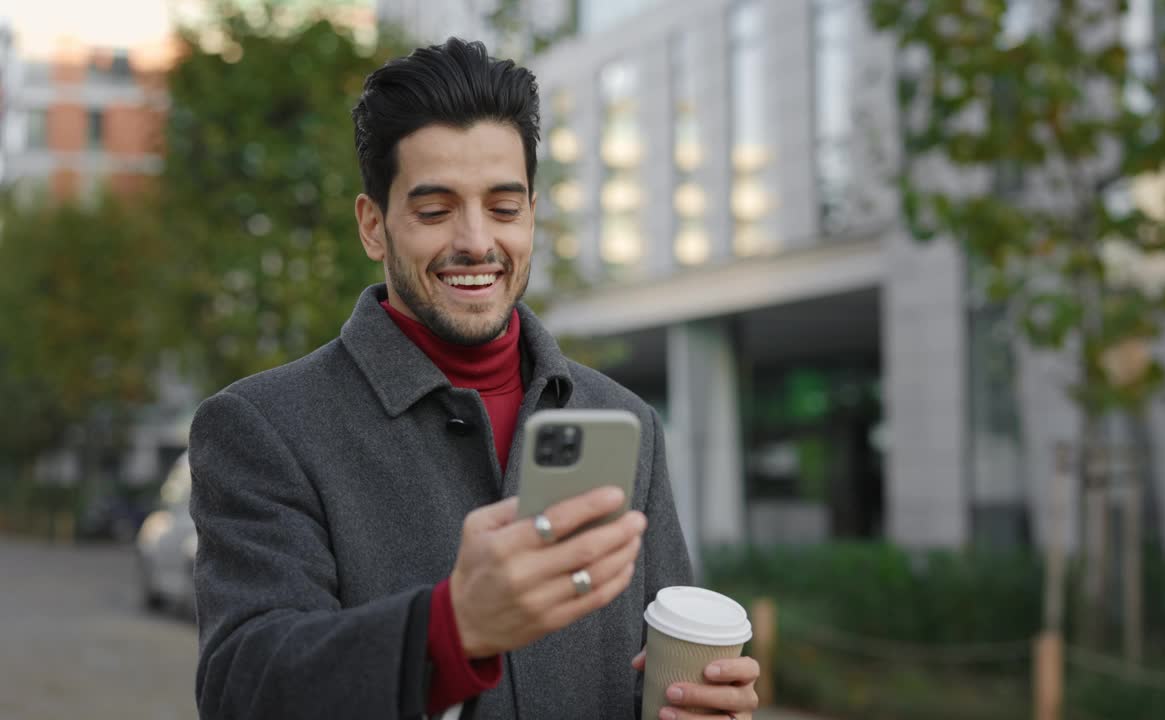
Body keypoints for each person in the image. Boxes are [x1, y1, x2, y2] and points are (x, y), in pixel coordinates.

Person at [188, 38, 760, 720]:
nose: (476, 241)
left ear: (533, 214)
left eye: (504, 207)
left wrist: (692, 703)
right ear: (373, 226)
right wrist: (451, 628)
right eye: (434, 211)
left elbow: (650, 669)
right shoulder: (262, 426)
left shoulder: (626, 421)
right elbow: (244, 687)